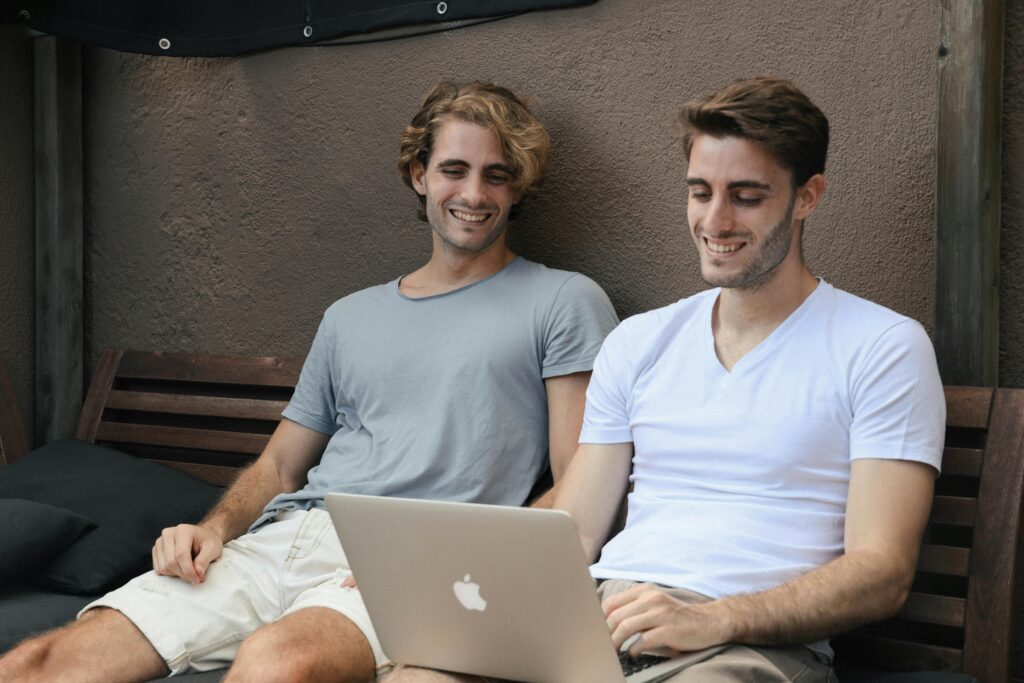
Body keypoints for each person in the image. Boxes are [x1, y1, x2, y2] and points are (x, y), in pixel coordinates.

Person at [0, 81, 618, 683]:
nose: (474, 193)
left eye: (497, 175)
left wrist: (446, 566)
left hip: (410, 561)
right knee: (35, 666)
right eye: (454, 169)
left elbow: (575, 488)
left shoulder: (561, 301)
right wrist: (211, 529)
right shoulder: (349, 316)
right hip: (283, 539)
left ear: (517, 189)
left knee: (276, 664)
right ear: (419, 175)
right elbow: (278, 470)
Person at [386, 76, 945, 683]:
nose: (715, 219)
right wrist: (438, 570)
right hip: (602, 619)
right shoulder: (640, 343)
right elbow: (574, 529)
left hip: (748, 646)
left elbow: (882, 570)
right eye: (700, 192)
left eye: (747, 196)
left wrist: (721, 619)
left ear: (807, 196)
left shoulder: (882, 347)